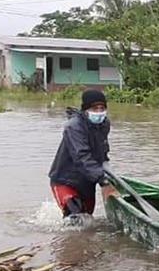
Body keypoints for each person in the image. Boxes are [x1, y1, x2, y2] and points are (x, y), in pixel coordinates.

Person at [48, 88, 115, 217]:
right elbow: (81, 157)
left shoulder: (104, 124)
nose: (99, 112)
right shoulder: (73, 127)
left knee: (88, 218)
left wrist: (108, 177)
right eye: (95, 108)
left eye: (102, 108)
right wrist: (103, 181)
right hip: (65, 180)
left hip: (88, 181)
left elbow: (103, 152)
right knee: (75, 215)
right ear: (85, 110)